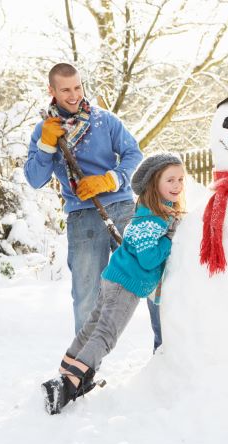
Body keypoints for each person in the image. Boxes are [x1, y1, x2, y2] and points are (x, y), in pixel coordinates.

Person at [41, 153, 185, 415]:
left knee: (92, 327)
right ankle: (66, 386)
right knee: (106, 335)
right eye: (170, 180)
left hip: (115, 279)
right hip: (125, 285)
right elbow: (148, 259)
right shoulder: (151, 221)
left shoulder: (152, 214)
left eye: (180, 179)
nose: (177, 185)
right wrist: (170, 238)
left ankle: (67, 368)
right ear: (154, 184)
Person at [25, 63, 143, 333]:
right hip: (82, 217)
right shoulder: (45, 131)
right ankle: (84, 370)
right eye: (65, 90)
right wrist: (45, 146)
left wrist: (109, 179)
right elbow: (34, 179)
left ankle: (166, 350)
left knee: (149, 271)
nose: (74, 95)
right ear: (51, 90)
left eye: (77, 87)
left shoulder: (105, 120)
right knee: (86, 295)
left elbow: (133, 154)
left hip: (121, 206)